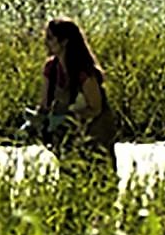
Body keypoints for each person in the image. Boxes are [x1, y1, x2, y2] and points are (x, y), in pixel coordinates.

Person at [34, 17, 117, 176]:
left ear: (64, 42)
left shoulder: (84, 72)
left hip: (94, 139)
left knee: (99, 182)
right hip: (67, 141)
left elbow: (95, 108)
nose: (45, 43)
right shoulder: (51, 69)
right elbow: (44, 105)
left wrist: (68, 118)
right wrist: (37, 122)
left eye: (50, 38)